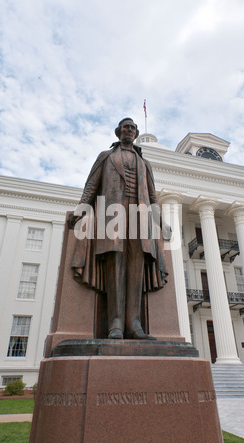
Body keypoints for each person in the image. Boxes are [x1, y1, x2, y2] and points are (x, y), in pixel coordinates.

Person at [69, 118, 170, 340]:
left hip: (139, 217)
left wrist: (161, 222)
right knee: (115, 265)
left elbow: (153, 196)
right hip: (112, 214)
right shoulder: (106, 157)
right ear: (118, 132)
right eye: (126, 127)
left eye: (133, 128)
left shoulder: (145, 163)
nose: (129, 130)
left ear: (136, 133)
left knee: (136, 269)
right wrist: (81, 208)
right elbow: (91, 185)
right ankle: (115, 323)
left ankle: (134, 324)